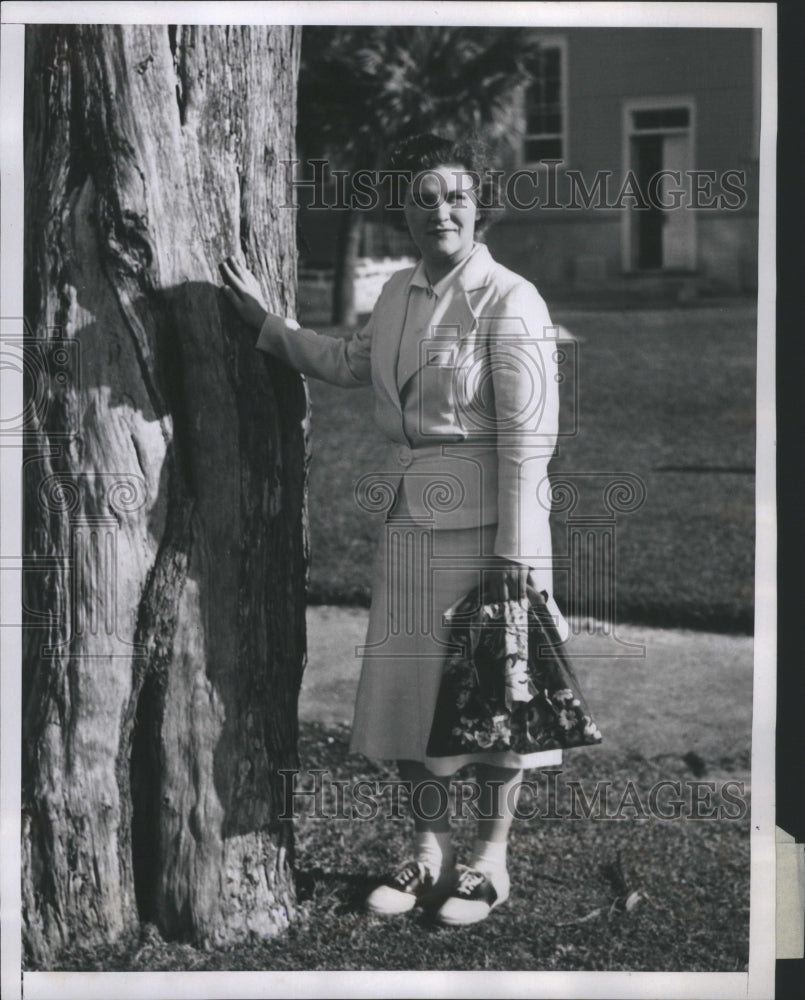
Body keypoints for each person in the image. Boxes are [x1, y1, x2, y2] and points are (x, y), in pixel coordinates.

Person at [220, 133, 569, 927]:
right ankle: (423, 853)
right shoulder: (397, 294)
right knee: (408, 698)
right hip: (412, 526)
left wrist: (517, 551)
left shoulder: (510, 298)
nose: (438, 210)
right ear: (403, 211)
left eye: (454, 195)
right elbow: (347, 361)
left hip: (494, 535)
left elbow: (530, 436)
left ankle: (487, 863)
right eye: (422, 197)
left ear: (481, 208)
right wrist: (267, 326)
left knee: (494, 703)